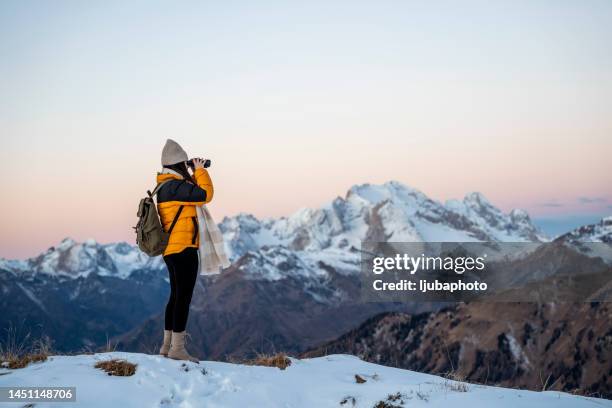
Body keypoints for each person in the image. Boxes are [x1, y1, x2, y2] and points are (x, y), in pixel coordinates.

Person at [156, 139, 213, 362]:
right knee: (183, 298)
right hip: (184, 248)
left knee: (175, 296)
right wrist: (199, 171)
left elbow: (192, 195)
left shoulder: (165, 185)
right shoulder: (175, 186)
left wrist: (192, 172)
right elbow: (205, 195)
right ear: (178, 164)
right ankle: (177, 349)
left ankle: (167, 346)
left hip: (171, 249)